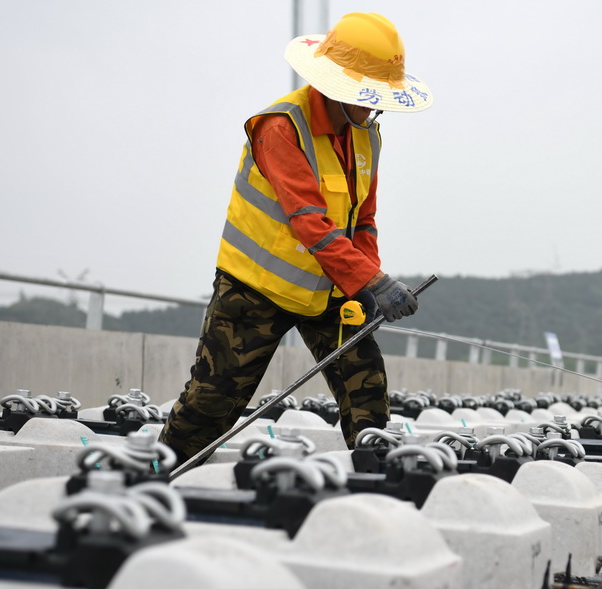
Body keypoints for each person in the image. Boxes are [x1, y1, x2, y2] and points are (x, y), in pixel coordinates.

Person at [159, 12, 433, 465]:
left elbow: (363, 219)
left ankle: (377, 474)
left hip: (327, 285)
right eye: (368, 97)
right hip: (255, 288)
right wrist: (375, 283)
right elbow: (310, 221)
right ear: (337, 88)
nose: (374, 108)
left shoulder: (366, 133)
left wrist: (365, 285)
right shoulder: (281, 128)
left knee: (365, 383)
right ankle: (153, 475)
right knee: (214, 399)